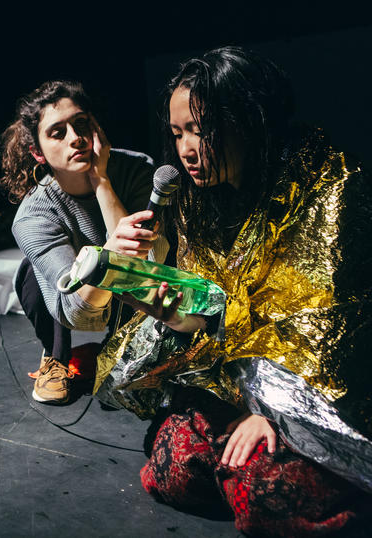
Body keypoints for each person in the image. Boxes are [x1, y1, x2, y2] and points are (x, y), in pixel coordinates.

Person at [94, 46, 372, 536]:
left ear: (251, 119)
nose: (186, 149)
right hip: (237, 384)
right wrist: (154, 287)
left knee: (266, 492)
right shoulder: (202, 204)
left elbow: (325, 330)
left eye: (201, 130)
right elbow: (214, 316)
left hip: (318, 394)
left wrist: (273, 418)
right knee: (173, 466)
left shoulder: (330, 189)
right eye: (178, 133)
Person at [0, 80, 168, 405]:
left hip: (137, 292)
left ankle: (114, 345)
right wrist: (109, 254)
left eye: (81, 124)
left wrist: (101, 181)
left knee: (133, 389)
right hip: (80, 299)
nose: (75, 138)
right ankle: (55, 356)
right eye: (57, 133)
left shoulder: (137, 170)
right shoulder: (33, 215)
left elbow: (148, 269)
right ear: (37, 152)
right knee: (33, 275)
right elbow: (76, 314)